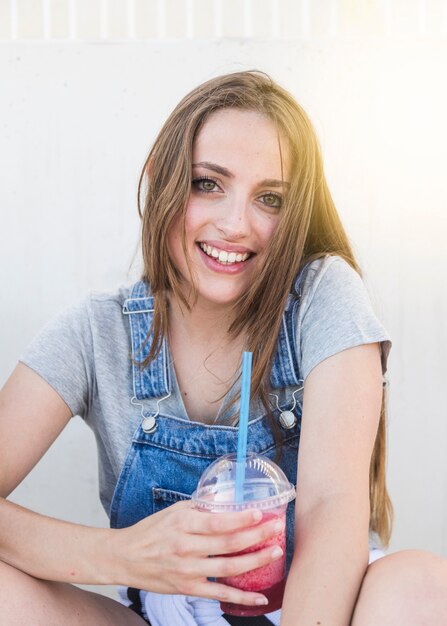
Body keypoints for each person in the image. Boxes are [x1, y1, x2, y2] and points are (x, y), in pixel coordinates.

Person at [1, 70, 446, 626]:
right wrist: (120, 555)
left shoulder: (324, 298)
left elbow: (330, 511)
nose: (237, 224)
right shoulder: (97, 332)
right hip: (165, 617)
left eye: (270, 198)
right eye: (208, 183)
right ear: (161, 182)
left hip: (321, 609)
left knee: (421, 586)